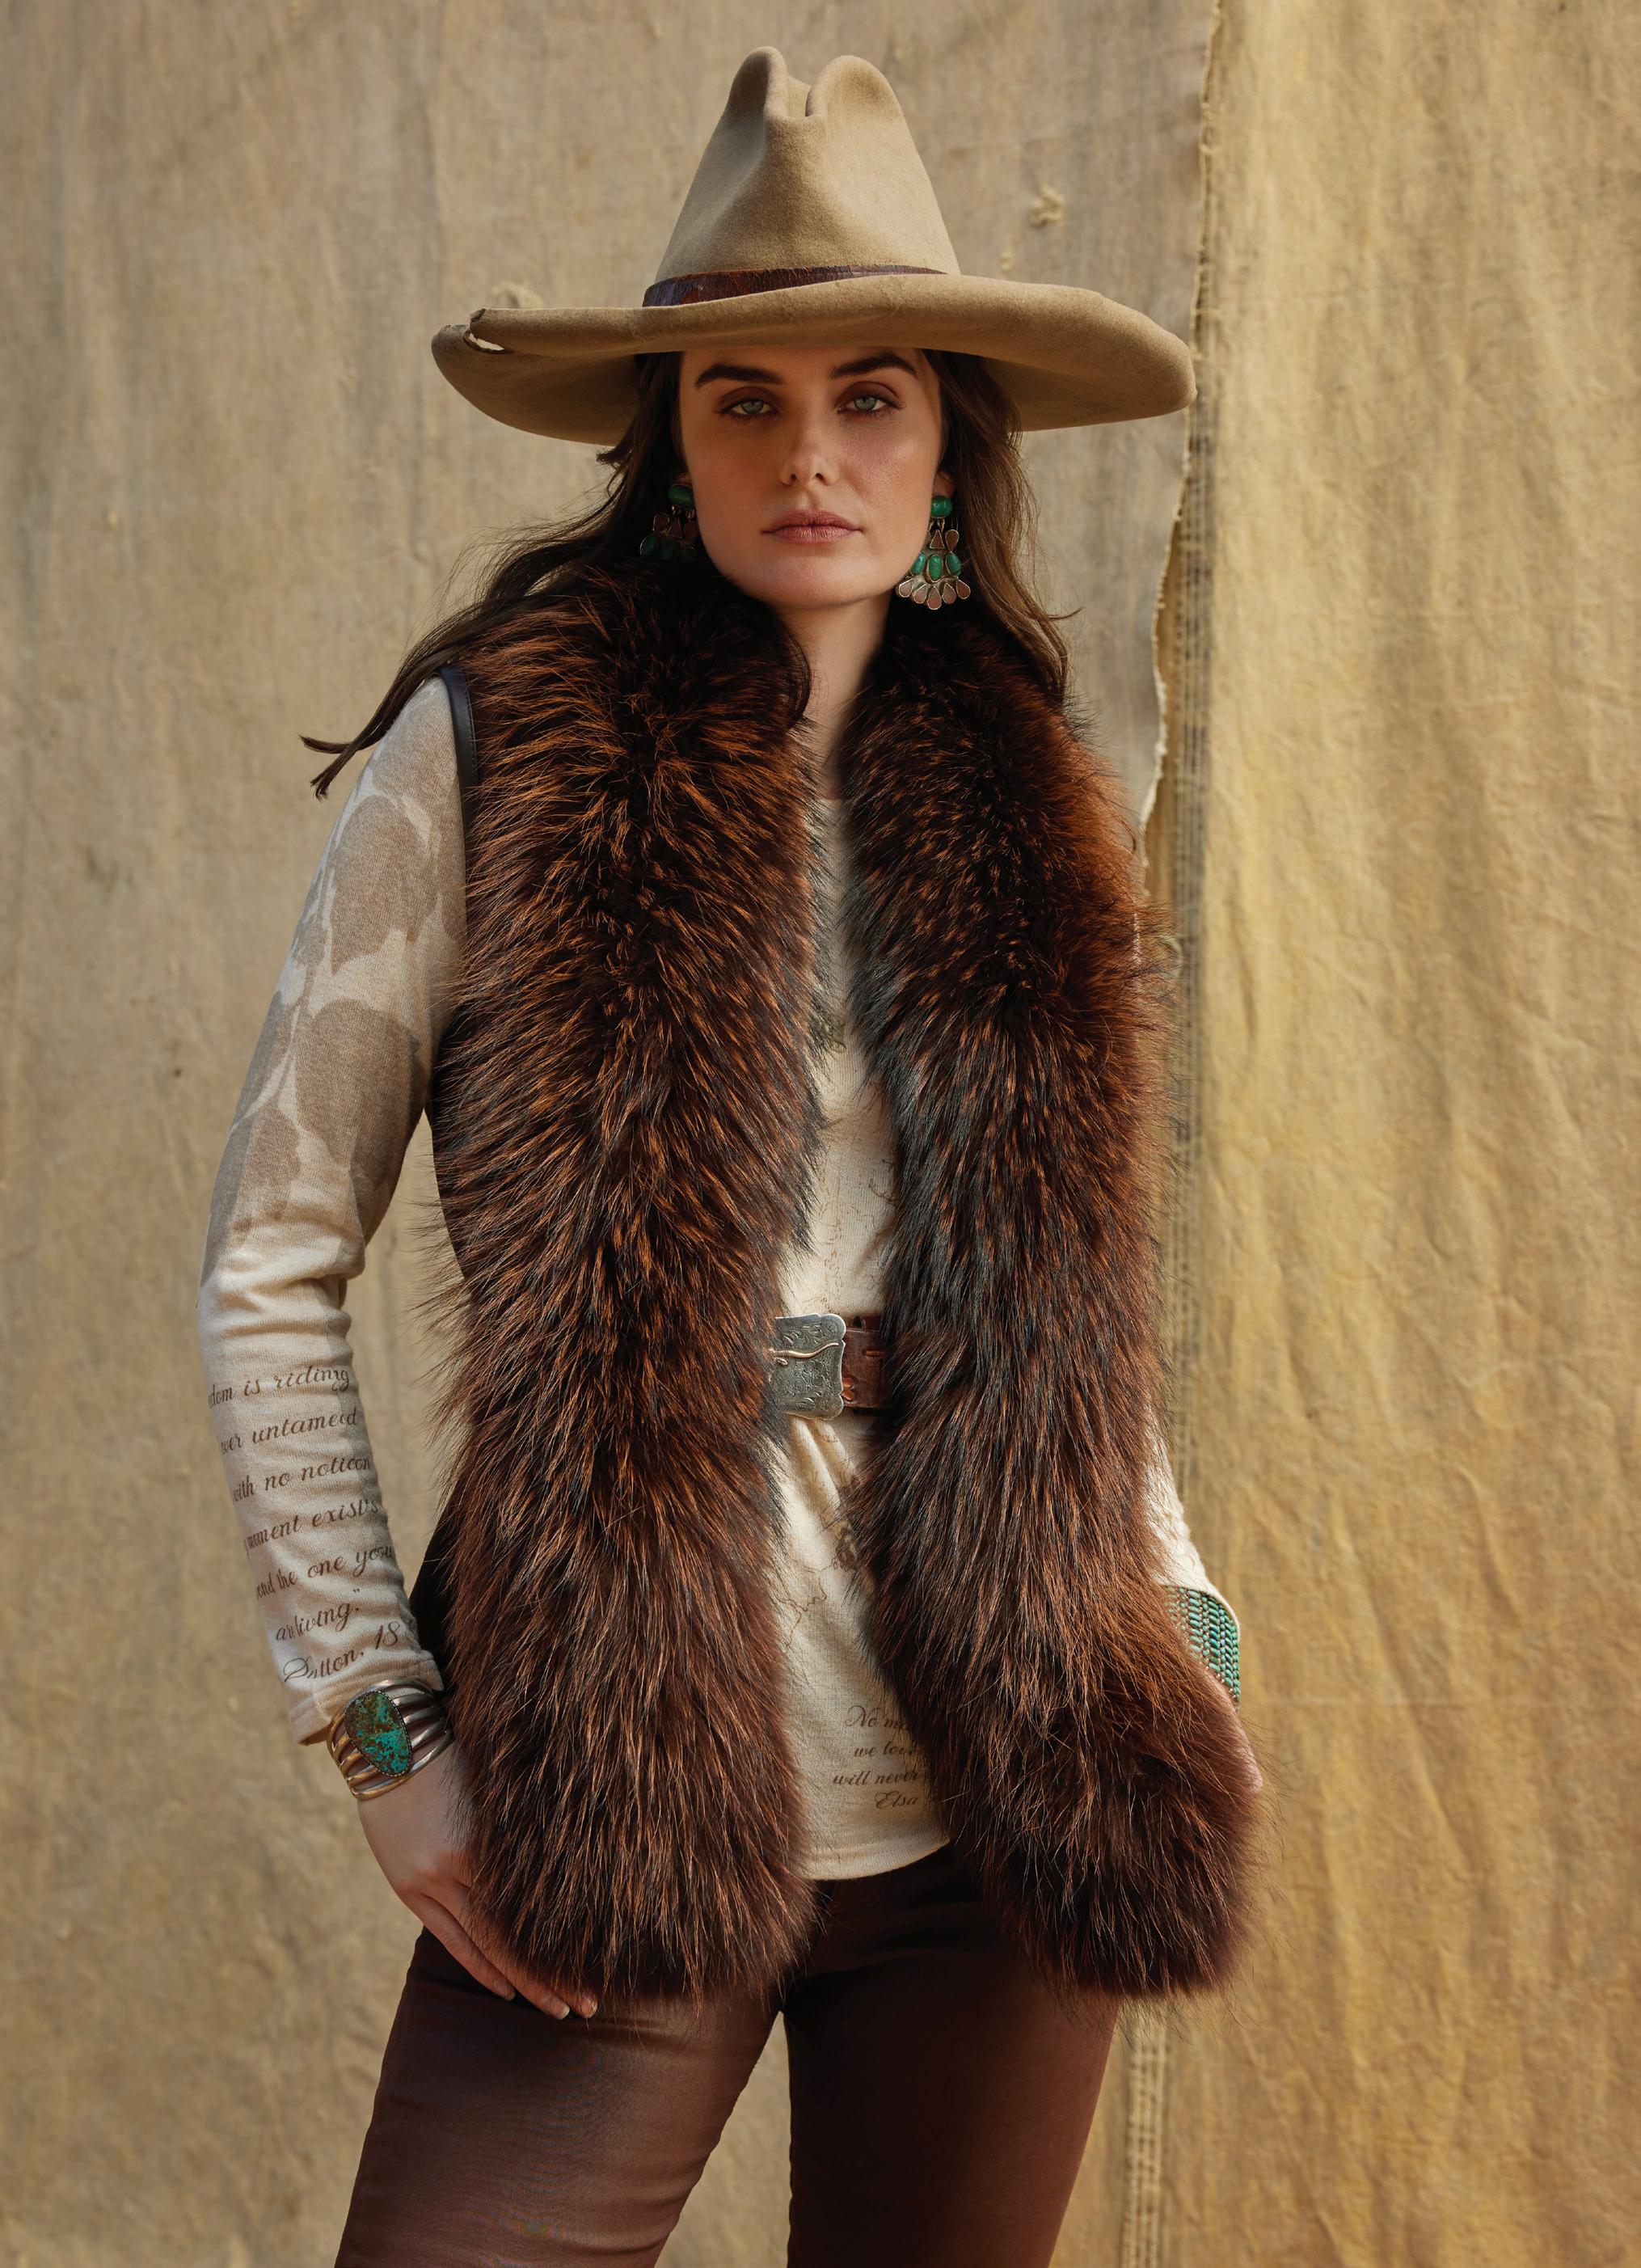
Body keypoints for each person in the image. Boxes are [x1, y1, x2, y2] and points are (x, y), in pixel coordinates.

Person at [197, 45, 1263, 2268]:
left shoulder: (1036, 792)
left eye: (872, 397)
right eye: (744, 401)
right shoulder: (488, 754)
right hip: (620, 1759)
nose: (812, 454)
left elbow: (1067, 1288)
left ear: (950, 444)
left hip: (1009, 1779)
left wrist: (1188, 1635)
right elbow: (271, 1262)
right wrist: (386, 1731)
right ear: (668, 447)